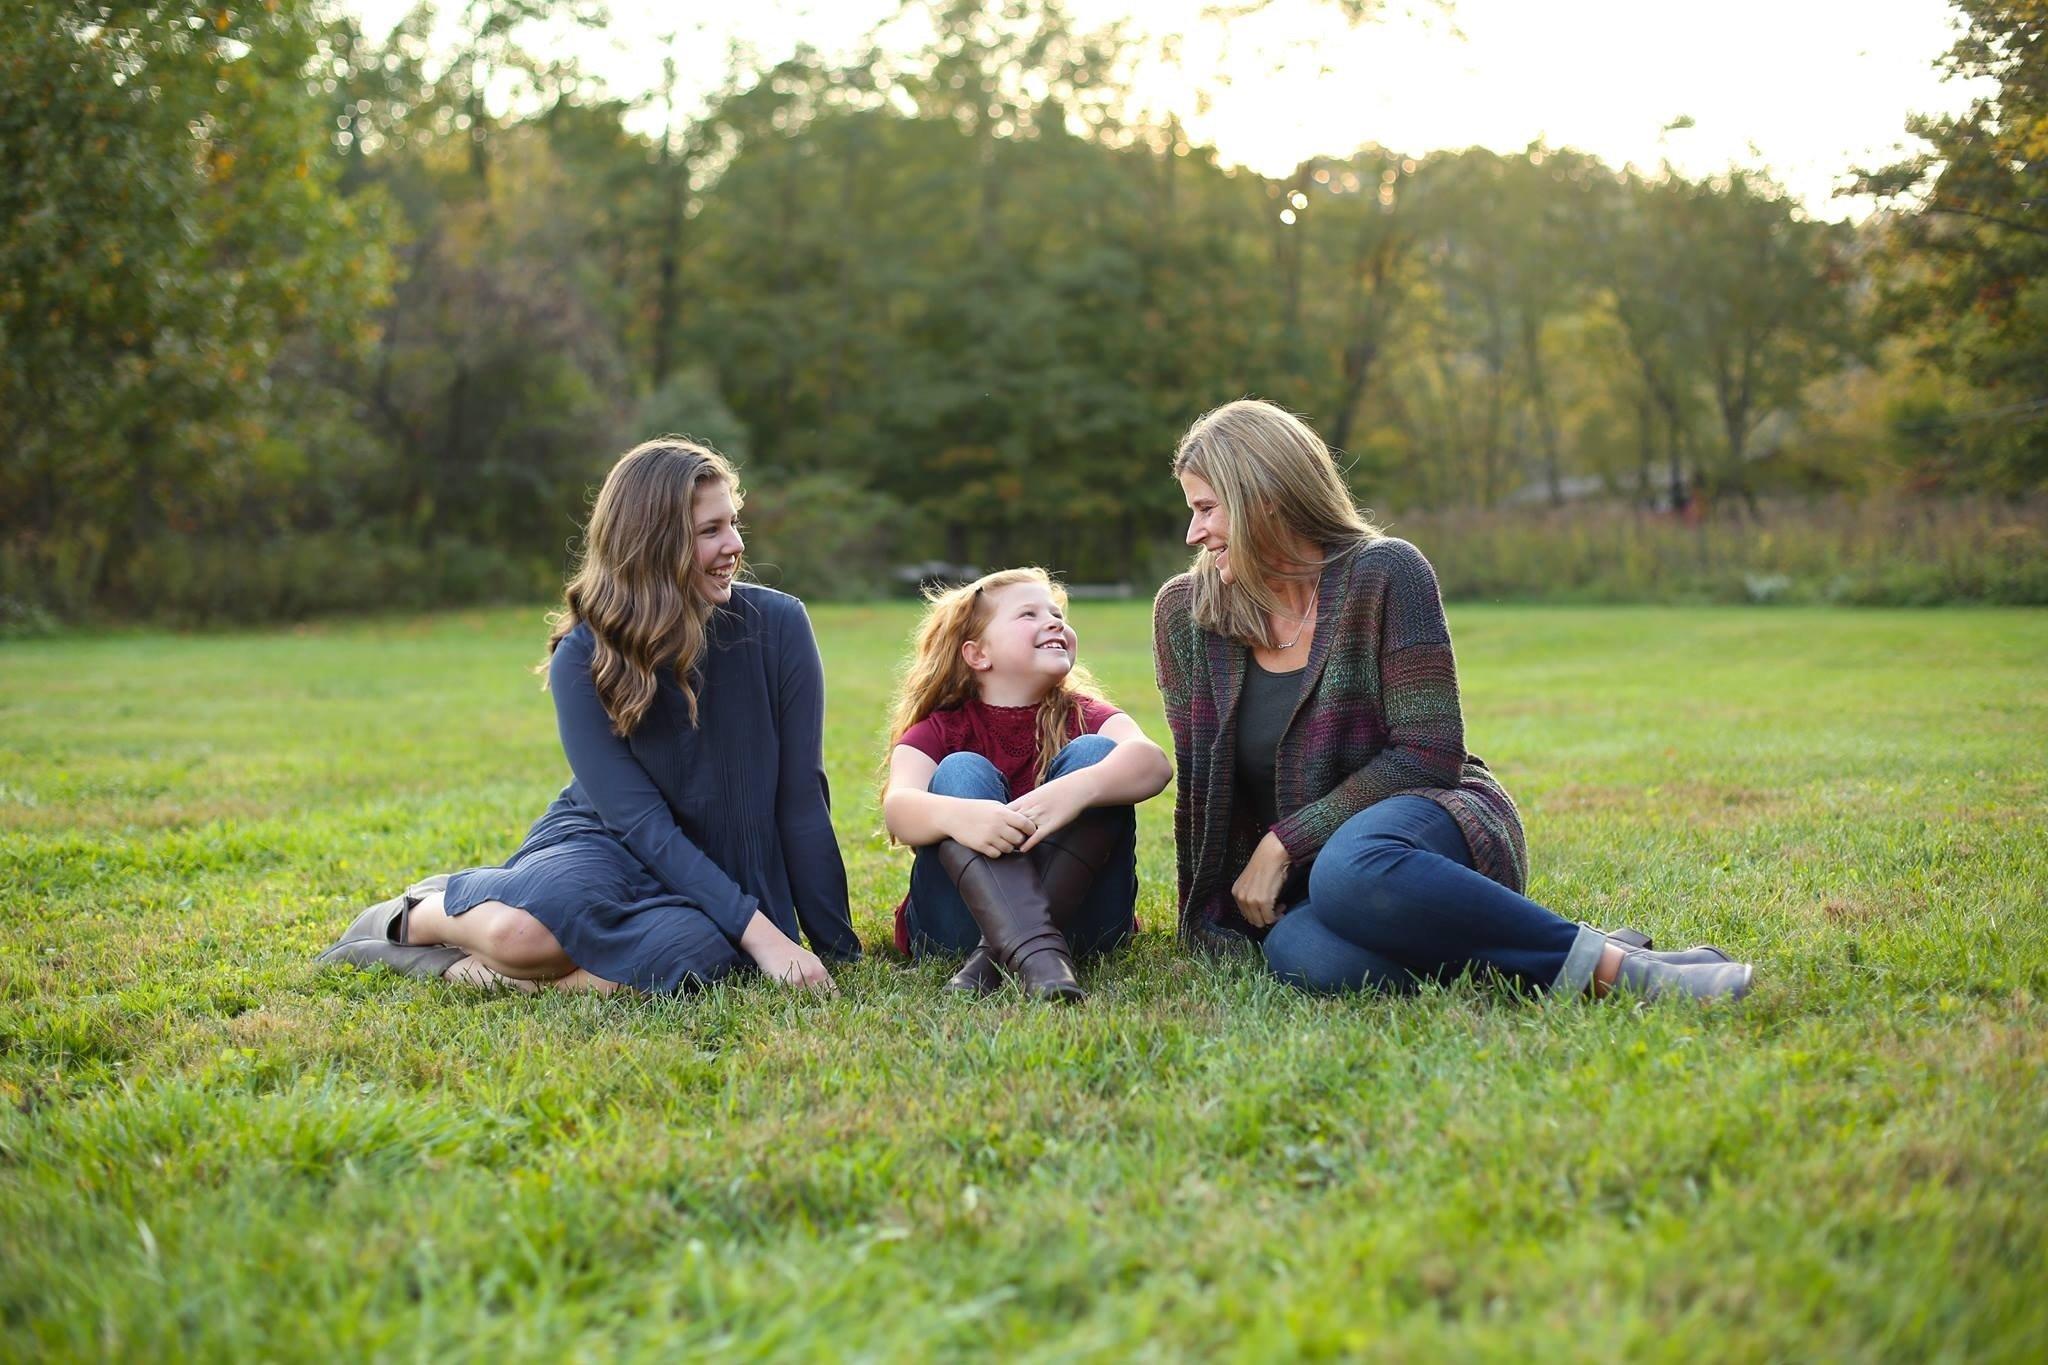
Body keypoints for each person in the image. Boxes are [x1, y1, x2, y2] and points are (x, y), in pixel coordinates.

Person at [1151, 399, 1753, 1001]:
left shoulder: (1385, 573)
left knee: (1349, 867)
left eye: (1206, 509)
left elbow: (1428, 753)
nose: (1193, 533)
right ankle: (1586, 950)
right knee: (1307, 957)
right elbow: (1206, 792)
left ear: (1265, 497)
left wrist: (1287, 840)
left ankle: (1631, 978)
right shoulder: (1186, 615)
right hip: (1313, 884)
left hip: (1425, 823)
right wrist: (1208, 916)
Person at [317, 438, 859, 994]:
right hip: (609, 844)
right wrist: (765, 937)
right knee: (520, 939)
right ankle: (417, 914)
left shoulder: (780, 624)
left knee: (682, 962)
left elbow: (801, 797)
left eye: (734, 523)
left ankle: (453, 968)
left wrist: (838, 949)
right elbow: (642, 825)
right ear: (654, 543)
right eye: (710, 531)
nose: (735, 545)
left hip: (726, 862)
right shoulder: (585, 652)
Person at [880, 568, 1172, 1001]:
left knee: (1096, 756)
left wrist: (1078, 790)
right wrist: (961, 816)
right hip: (956, 926)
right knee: (961, 771)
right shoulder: (938, 731)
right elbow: (899, 808)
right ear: (978, 654)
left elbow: (1154, 764)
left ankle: (993, 961)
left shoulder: (1085, 716)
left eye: (1056, 613)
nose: (1054, 621)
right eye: (1029, 615)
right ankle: (1038, 956)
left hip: (1083, 923)